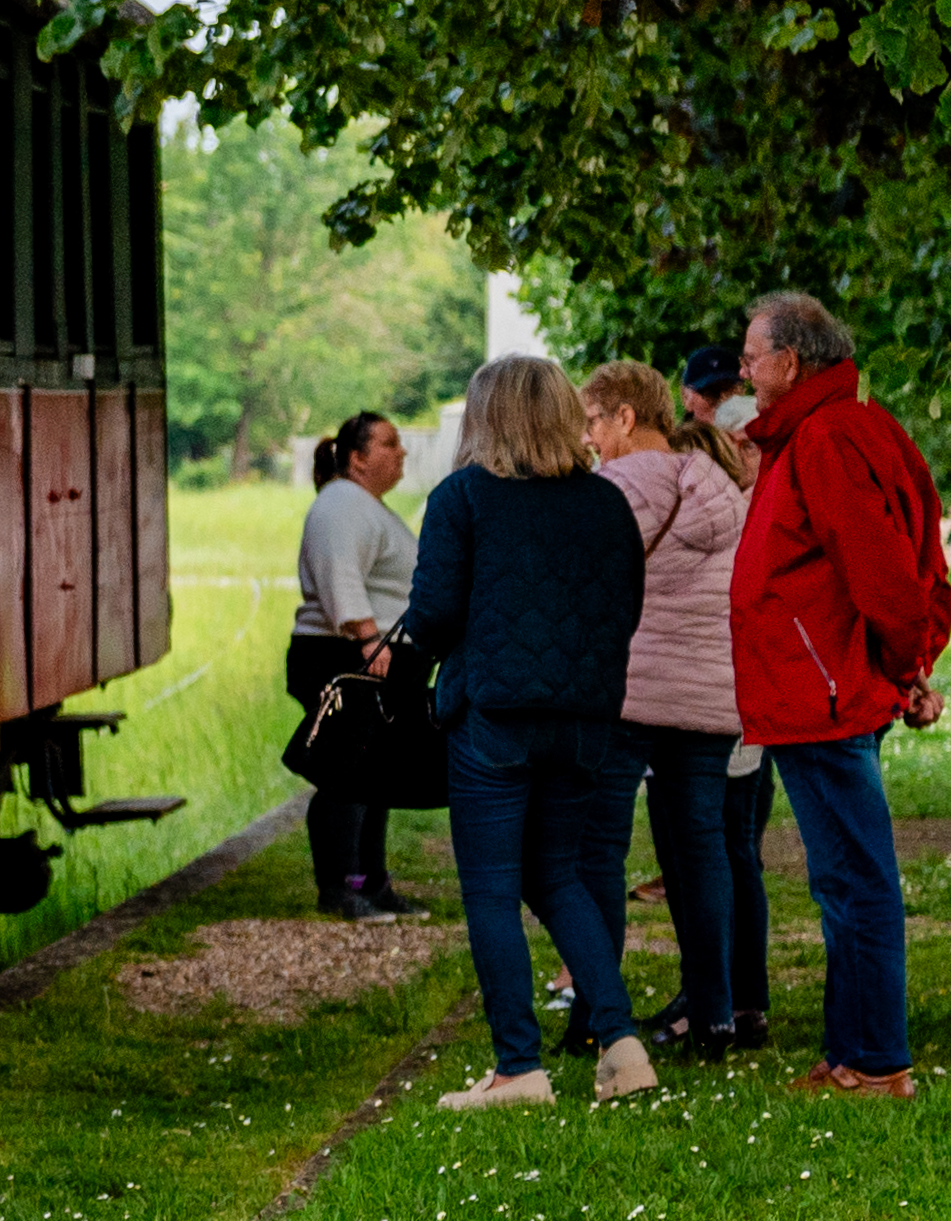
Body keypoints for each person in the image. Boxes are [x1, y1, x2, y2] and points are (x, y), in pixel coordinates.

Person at [405, 352, 657, 1108]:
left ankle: (519, 1064)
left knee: (491, 887)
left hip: (494, 717)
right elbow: (626, 611)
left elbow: (433, 618)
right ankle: (622, 1043)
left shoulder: (462, 498)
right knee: (560, 877)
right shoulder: (607, 504)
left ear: (487, 417)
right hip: (584, 720)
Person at [732, 287, 951, 1093]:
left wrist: (906, 667)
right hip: (815, 688)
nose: (746, 370)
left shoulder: (827, 436)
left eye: (753, 356)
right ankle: (848, 1050)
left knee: (857, 878)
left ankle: (877, 1058)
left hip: (823, 691)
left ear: (790, 362)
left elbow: (885, 571)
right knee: (840, 878)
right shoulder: (820, 429)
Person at [577, 360, 768, 1059]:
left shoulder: (610, 490)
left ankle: (601, 1013)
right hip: (708, 695)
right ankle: (717, 1013)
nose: (591, 438)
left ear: (626, 416)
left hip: (625, 692)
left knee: (600, 847)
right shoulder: (720, 486)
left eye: (594, 421)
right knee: (702, 848)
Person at [293, 408, 427, 919]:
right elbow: (339, 575)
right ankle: (342, 887)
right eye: (390, 444)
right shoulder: (342, 503)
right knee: (347, 774)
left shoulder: (365, 504)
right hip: (343, 656)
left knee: (375, 775)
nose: (402, 453)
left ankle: (372, 884)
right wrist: (368, 639)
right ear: (357, 457)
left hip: (374, 656)